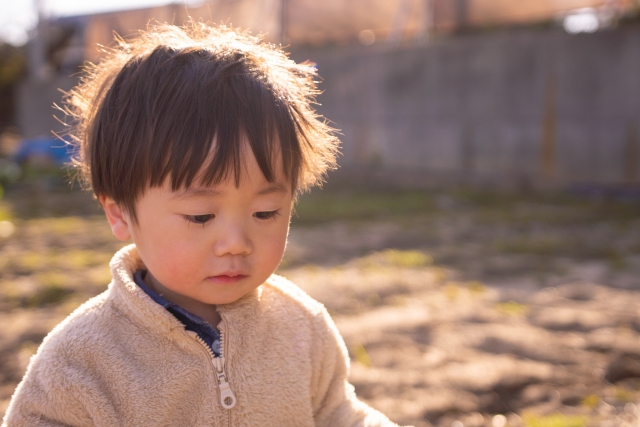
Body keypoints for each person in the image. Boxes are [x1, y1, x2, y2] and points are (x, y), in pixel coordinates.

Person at [2, 22, 409, 427]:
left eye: (265, 213)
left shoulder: (302, 326)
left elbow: (338, 414)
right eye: (200, 216)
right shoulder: (80, 363)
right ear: (120, 213)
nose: (236, 243)